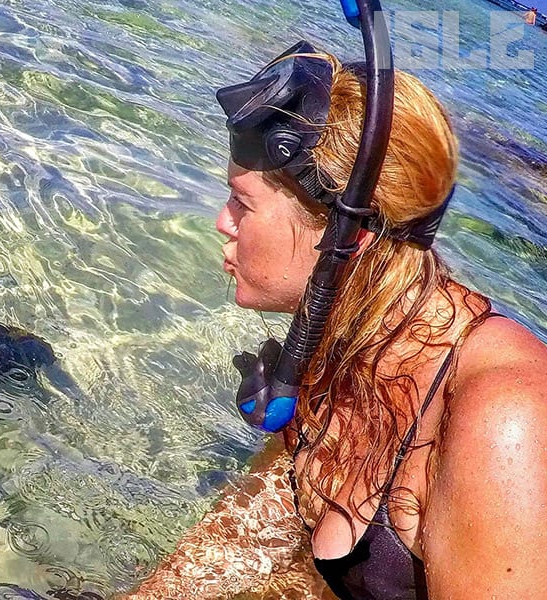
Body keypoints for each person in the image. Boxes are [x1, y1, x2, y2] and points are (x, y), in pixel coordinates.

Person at [125, 42, 547, 599]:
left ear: (348, 237)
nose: (221, 222)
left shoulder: (506, 418)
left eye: (243, 204)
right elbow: (245, 543)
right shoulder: (346, 336)